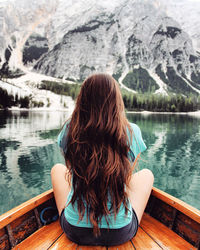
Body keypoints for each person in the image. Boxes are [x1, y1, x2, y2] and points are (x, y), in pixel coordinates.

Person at [51, 73, 154, 246]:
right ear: (116, 101)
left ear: (82, 100)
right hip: (119, 233)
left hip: (75, 231)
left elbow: (72, 169)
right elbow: (126, 176)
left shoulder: (69, 130)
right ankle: (116, 217)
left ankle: (77, 215)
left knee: (57, 169)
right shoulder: (132, 132)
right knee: (146, 175)